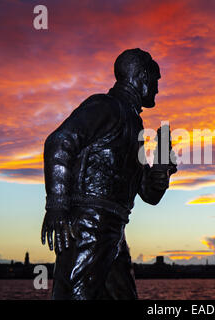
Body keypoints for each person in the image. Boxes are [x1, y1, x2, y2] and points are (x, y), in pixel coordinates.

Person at [41, 48, 177, 299]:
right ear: (140, 77)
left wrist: (161, 164)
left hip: (114, 232)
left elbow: (149, 193)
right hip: (87, 224)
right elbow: (59, 143)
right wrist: (57, 206)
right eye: (155, 79)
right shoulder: (105, 106)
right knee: (75, 295)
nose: (158, 88)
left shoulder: (134, 125)